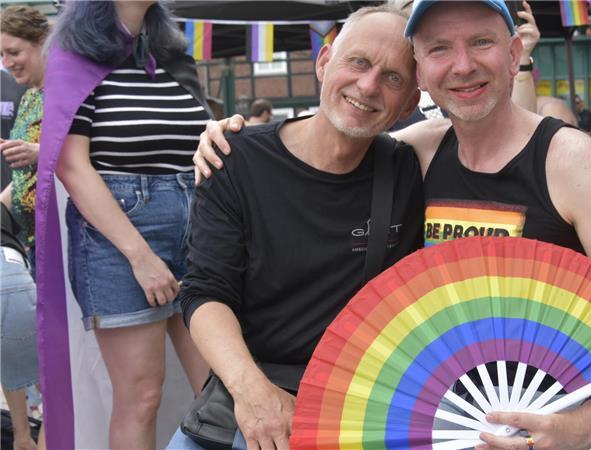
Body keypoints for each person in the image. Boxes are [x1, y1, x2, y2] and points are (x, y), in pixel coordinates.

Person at [196, 1, 591, 448]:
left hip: (565, 407)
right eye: (441, 48)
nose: (462, 65)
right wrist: (232, 137)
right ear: (421, 75)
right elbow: (334, 131)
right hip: (446, 415)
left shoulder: (568, 160)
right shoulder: (416, 153)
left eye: (481, 43)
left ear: (512, 54)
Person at [177, 5, 424, 449]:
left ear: (409, 104)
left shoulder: (409, 168)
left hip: (354, 404)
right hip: (248, 389)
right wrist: (253, 394)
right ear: (325, 61)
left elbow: (497, 137)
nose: (368, 86)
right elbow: (204, 292)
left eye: (393, 78)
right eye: (359, 62)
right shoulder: (235, 158)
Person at [45, 1, 210, 447]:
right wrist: (140, 256)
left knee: (218, 392)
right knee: (141, 397)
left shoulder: (170, 51)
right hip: (118, 235)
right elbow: (71, 165)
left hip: (196, 222)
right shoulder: (73, 51)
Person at [0, 6, 48, 449]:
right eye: (3, 54)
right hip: (32, 239)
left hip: (63, 238)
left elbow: (77, 152)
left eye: (14, 51)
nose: (8, 62)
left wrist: (39, 151)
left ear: (40, 44)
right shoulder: (31, 93)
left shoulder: (60, 90)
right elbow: (22, 181)